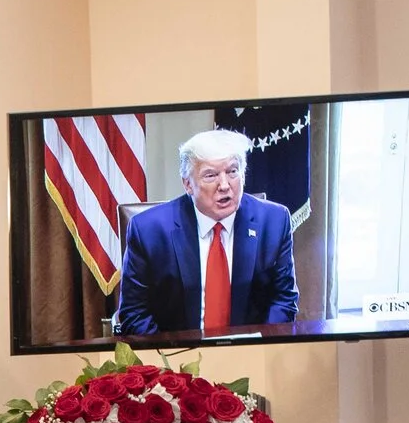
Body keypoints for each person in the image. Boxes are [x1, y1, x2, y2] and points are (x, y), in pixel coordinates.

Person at [112, 126, 299, 338]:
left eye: (232, 172)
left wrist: (260, 350)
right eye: (210, 175)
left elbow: (284, 301)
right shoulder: (148, 230)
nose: (225, 185)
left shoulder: (274, 221)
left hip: (251, 355)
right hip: (176, 358)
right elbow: (134, 313)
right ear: (188, 184)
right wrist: (170, 361)